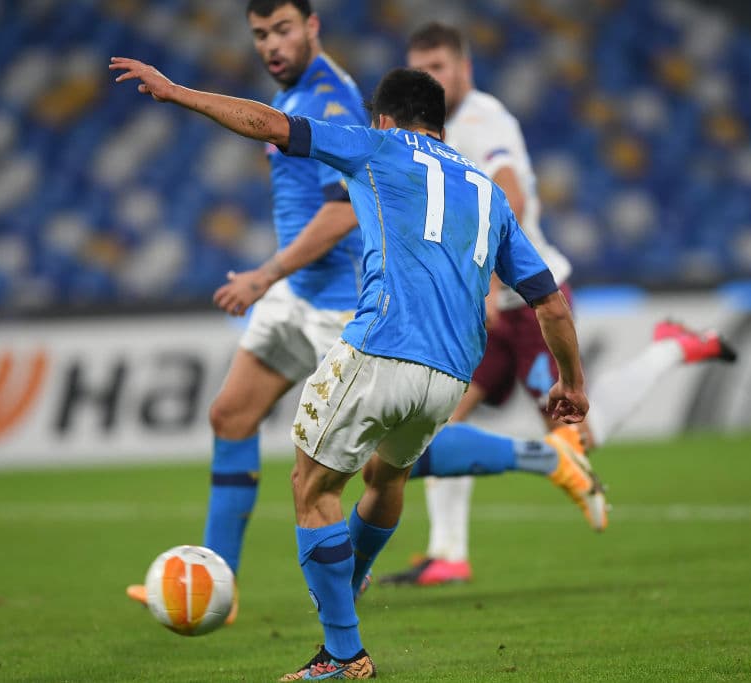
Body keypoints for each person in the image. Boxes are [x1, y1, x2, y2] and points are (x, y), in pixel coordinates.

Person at [110, 57, 588, 680]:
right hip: (450, 373)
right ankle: (350, 582)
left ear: (385, 117)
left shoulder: (377, 146)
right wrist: (572, 382)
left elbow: (269, 124)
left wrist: (179, 95)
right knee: (386, 481)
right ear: (442, 126)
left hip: (382, 346)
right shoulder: (488, 194)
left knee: (312, 488)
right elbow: (548, 301)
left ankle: (343, 651)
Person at [379, 22, 737, 586]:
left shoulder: (485, 121)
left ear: (465, 68)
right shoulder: (423, 132)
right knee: (438, 422)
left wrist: (492, 283)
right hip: (480, 305)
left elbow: (509, 193)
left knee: (575, 437)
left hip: (523, 302)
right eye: (422, 69)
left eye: (441, 67)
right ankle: (447, 551)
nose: (433, 78)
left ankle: (669, 350)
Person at [122, 0, 368, 624]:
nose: (271, 45)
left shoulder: (331, 101)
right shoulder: (291, 97)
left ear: (312, 27)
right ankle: (213, 583)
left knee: (397, 459)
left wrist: (265, 274)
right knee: (230, 415)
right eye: (260, 35)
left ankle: (541, 458)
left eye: (283, 30)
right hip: (296, 293)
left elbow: (343, 211)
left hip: (337, 306)